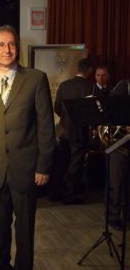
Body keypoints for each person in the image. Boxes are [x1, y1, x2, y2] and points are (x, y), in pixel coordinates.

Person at [0, 25, 55, 270]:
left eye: (11, 44)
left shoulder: (36, 78)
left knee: (24, 229)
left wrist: (43, 166)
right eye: (0, 45)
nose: (7, 49)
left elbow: (46, 127)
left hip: (26, 169)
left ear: (18, 48)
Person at [54, 58, 95, 205]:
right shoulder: (90, 87)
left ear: (78, 69)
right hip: (79, 131)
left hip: (63, 130)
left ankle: (56, 192)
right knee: (75, 163)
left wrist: (65, 119)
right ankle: (70, 195)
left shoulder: (64, 85)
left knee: (62, 162)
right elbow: (94, 111)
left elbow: (57, 107)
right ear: (89, 70)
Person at [107, 79, 130, 230]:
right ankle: (113, 216)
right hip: (120, 143)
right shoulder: (124, 86)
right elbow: (110, 107)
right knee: (116, 181)